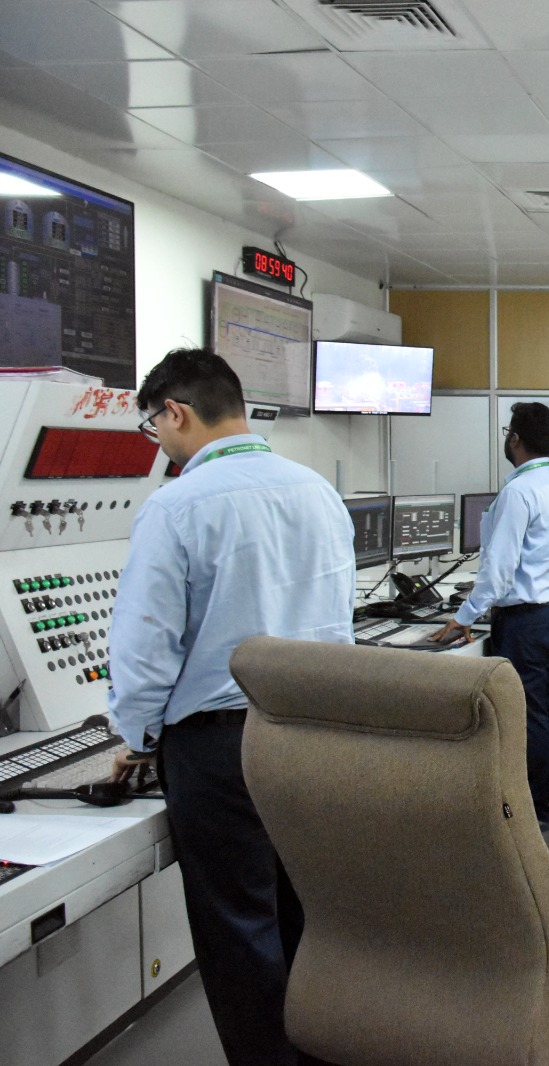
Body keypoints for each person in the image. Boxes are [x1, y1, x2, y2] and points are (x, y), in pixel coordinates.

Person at [107, 348, 355, 1066]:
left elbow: (146, 649)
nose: (160, 441)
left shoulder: (175, 507)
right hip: (313, 735)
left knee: (239, 928)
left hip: (221, 748)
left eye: (155, 427)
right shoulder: (318, 491)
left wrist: (137, 737)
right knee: (309, 914)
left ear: (175, 412)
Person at [431, 402, 549, 826]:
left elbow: (497, 572)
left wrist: (464, 617)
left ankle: (531, 809)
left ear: (514, 439)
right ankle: (548, 794)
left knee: (524, 714)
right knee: (547, 705)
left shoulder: (519, 492)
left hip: (525, 621)